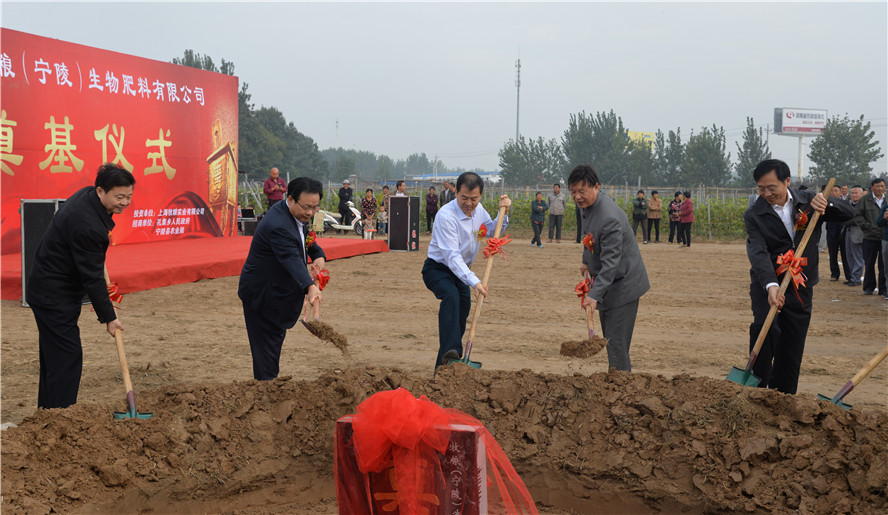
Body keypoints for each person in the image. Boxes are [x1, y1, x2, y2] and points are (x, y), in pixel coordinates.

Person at [28, 163, 135, 409]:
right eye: (119, 197)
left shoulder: (87, 196)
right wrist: (109, 317)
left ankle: (48, 413)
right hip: (53, 293)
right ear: (101, 191)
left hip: (49, 285)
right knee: (66, 357)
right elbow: (92, 278)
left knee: (54, 356)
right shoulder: (88, 225)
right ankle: (60, 417)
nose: (125, 202)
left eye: (128, 196)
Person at [744, 159, 853, 394]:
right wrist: (771, 285)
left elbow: (849, 213)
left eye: (771, 187)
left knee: (792, 343)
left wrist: (828, 203)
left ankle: (783, 395)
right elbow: (758, 252)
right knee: (766, 326)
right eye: (761, 189)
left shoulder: (808, 201)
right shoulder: (755, 214)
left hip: (801, 285)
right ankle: (758, 389)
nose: (766, 193)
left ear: (787, 182)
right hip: (768, 283)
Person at [238, 177, 326, 380]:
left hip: (277, 291)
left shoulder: (296, 215)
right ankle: (267, 391)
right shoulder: (278, 225)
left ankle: (269, 385)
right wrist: (310, 287)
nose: (310, 213)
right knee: (267, 349)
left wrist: (318, 255)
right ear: (291, 199)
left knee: (273, 343)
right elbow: (291, 258)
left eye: (315, 207)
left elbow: (305, 237)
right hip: (263, 294)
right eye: (306, 207)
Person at [422, 172, 510, 369]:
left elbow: (491, 229)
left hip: (462, 273)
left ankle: (446, 365)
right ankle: (451, 351)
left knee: (460, 317)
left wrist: (503, 213)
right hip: (439, 269)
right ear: (456, 193)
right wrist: (475, 282)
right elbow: (452, 257)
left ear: (480, 196)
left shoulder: (478, 211)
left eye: (474, 199)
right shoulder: (446, 216)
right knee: (451, 298)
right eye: (464, 198)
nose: (468, 203)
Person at [569, 164, 650, 372]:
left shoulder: (609, 218)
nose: (577, 197)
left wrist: (594, 296)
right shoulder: (586, 208)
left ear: (596, 187)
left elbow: (611, 264)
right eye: (573, 191)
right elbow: (589, 238)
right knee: (611, 341)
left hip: (623, 285)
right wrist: (586, 261)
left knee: (616, 346)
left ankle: (622, 390)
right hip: (608, 284)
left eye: (582, 191)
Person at [852, 177, 886, 296]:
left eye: (882, 186)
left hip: (884, 237)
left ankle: (883, 288)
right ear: (872, 187)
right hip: (869, 236)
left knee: (884, 265)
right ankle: (868, 287)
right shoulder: (865, 199)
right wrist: (867, 226)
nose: (880, 189)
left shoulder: (887, 200)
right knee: (869, 263)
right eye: (877, 186)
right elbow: (858, 216)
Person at [843, 186, 865, 286]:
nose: (854, 195)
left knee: (858, 257)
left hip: (858, 233)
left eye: (856, 193)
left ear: (861, 194)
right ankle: (853, 277)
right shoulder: (849, 204)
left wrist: (847, 221)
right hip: (848, 232)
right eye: (852, 193)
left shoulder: (864, 205)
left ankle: (856, 278)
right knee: (849, 257)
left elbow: (860, 219)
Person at [825, 185, 845, 281]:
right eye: (832, 191)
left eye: (836, 191)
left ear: (840, 192)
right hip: (831, 231)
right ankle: (834, 274)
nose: (833, 193)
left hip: (843, 231)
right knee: (832, 253)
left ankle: (849, 275)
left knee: (845, 254)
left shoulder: (845, 203)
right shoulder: (826, 203)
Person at [877, 201, 888, 299]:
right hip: (886, 240)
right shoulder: (886, 208)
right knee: (886, 269)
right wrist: (885, 218)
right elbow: (879, 223)